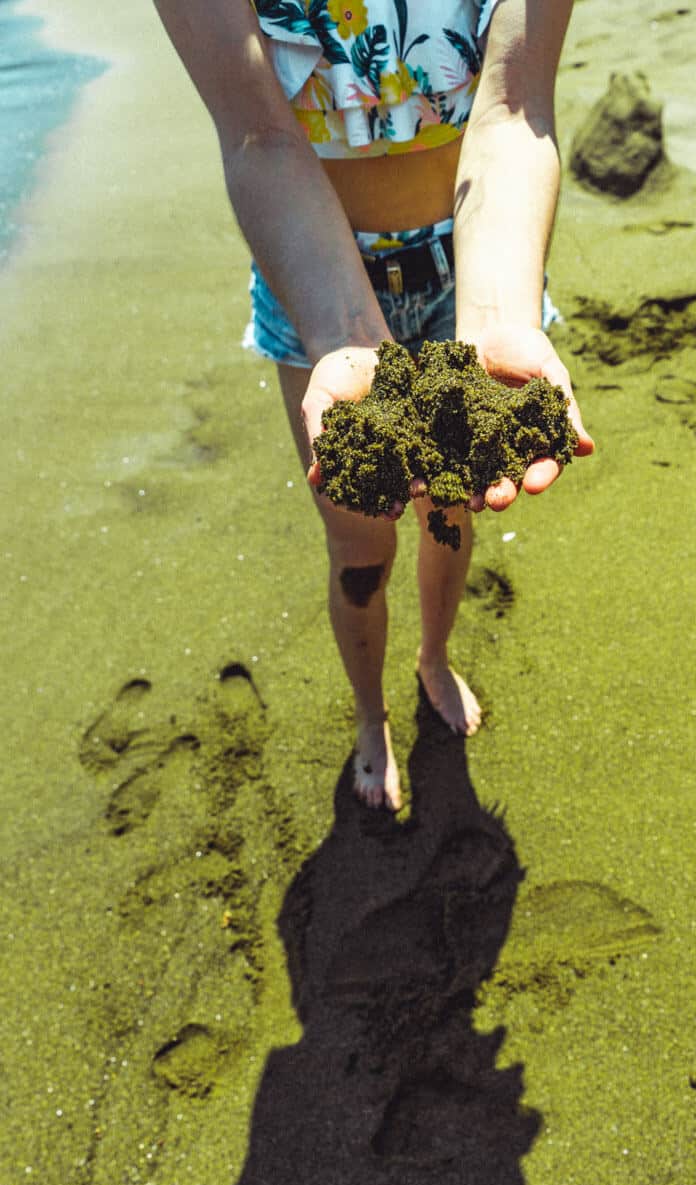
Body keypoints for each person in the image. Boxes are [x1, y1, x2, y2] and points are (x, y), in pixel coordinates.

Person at [152, 0, 594, 812]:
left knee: (452, 509)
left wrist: (497, 315)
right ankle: (371, 714)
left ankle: (432, 655)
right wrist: (346, 334)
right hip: (315, 283)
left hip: (472, 266)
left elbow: (512, 108)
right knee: (359, 547)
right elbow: (262, 135)